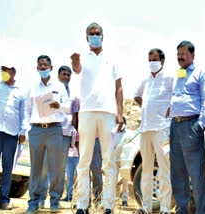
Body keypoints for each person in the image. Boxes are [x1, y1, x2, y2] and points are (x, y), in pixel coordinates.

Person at [70, 22, 124, 214]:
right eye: (91, 34)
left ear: (103, 36)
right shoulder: (83, 57)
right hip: (87, 113)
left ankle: (109, 204)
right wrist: (75, 61)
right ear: (86, 38)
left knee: (108, 160)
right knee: (84, 159)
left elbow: (119, 87)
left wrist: (120, 112)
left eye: (97, 33)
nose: (94, 36)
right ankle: (83, 205)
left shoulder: (112, 59)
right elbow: (76, 70)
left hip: (108, 113)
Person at [24, 55, 70, 213]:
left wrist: (60, 106)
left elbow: (69, 107)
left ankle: (55, 202)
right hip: (36, 130)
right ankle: (34, 202)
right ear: (37, 68)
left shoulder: (59, 86)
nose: (43, 68)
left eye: (46, 65)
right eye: (40, 66)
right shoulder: (33, 87)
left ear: (51, 67)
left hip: (54, 130)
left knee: (56, 168)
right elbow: (27, 109)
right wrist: (27, 128)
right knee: (36, 168)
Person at [169, 41, 205, 214]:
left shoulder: (200, 73)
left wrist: (200, 124)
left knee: (196, 173)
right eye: (178, 53)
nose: (180, 56)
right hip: (175, 125)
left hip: (191, 125)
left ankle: (202, 211)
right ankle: (181, 210)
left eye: (184, 53)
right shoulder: (178, 74)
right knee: (177, 172)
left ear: (193, 55)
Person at [133, 48, 173, 214]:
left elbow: (177, 97)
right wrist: (146, 108)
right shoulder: (145, 79)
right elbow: (136, 95)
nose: (152, 62)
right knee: (146, 169)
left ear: (162, 61)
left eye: (155, 59)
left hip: (162, 129)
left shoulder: (170, 78)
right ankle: (145, 207)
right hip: (145, 130)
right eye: (150, 59)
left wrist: (166, 114)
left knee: (164, 169)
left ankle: (164, 208)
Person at [0, 66, 26, 211]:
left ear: (14, 72)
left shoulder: (20, 91)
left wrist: (22, 131)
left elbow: (23, 114)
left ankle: (4, 200)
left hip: (12, 133)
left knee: (8, 167)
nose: (4, 72)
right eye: (2, 69)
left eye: (7, 70)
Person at [37, 66, 79, 208]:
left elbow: (74, 115)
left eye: (68, 75)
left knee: (60, 169)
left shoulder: (73, 96)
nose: (66, 77)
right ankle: (41, 199)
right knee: (45, 166)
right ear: (58, 75)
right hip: (51, 131)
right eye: (64, 74)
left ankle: (55, 201)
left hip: (66, 134)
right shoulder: (50, 91)